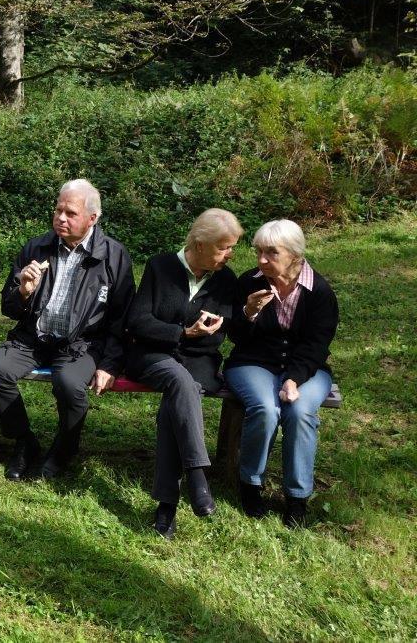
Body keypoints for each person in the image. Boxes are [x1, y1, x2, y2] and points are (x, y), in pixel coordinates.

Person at [0, 179, 135, 481]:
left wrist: (109, 364)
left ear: (92, 218)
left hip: (83, 344)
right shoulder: (36, 247)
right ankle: (24, 441)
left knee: (68, 383)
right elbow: (9, 309)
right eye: (58, 210)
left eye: (71, 213)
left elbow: (123, 318)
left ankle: (64, 449)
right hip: (33, 338)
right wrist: (23, 292)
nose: (61, 218)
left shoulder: (113, 256)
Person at [124, 208, 243, 539]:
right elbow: (138, 321)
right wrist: (182, 333)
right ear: (200, 244)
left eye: (232, 248)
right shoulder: (160, 266)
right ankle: (197, 473)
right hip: (153, 356)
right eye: (224, 247)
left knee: (175, 402)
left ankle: (167, 505)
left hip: (199, 361)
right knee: (179, 382)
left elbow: (219, 335)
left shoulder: (226, 280)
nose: (229, 255)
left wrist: (206, 332)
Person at [224, 219, 338, 528]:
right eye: (259, 252)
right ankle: (250, 484)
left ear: (295, 254)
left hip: (307, 368)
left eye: (272, 252)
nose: (262, 260)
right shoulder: (249, 282)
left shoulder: (319, 292)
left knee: (300, 411)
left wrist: (293, 379)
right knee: (265, 408)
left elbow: (316, 346)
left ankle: (297, 498)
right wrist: (249, 313)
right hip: (253, 363)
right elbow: (235, 337)